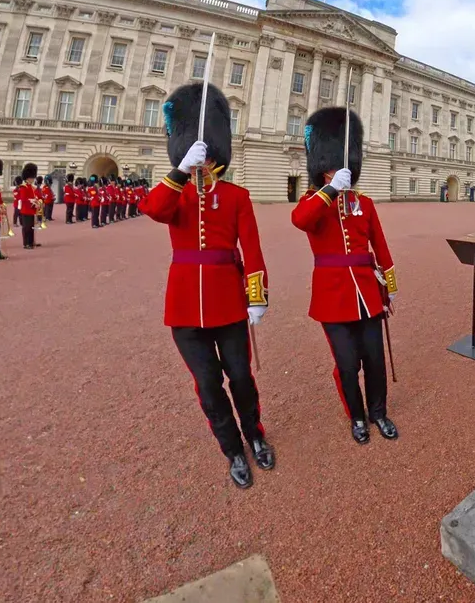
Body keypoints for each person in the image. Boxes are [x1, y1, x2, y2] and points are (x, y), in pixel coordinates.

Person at [141, 82, 274, 488]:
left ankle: (254, 434)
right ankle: (232, 448)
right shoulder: (174, 193)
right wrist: (180, 169)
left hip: (230, 303)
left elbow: (252, 249)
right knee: (208, 385)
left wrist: (257, 297)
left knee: (241, 378)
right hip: (184, 306)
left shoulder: (236, 196)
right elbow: (152, 209)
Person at [292, 107, 399, 445]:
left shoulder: (364, 203)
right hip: (332, 296)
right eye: (336, 165)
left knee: (375, 361)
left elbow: (380, 246)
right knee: (348, 364)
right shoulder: (314, 201)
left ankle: (379, 413)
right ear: (323, 168)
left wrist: (390, 287)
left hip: (367, 292)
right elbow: (302, 220)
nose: (343, 170)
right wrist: (329, 192)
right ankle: (356, 417)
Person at [16, 164, 40, 248]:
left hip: (31, 209)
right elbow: (23, 199)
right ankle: (26, 243)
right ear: (27, 178)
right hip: (25, 210)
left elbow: (32, 197)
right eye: (31, 178)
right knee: (26, 228)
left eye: (33, 178)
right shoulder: (23, 187)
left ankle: (31, 242)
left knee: (31, 227)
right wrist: (31, 200)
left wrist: (36, 201)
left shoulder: (30, 187)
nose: (32, 179)